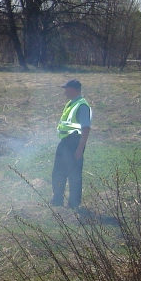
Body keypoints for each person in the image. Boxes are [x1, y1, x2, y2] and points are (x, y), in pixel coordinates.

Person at [51, 79, 92, 209]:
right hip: (65, 142)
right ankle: (57, 200)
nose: (64, 92)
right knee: (58, 172)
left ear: (73, 90)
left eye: (66, 89)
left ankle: (73, 204)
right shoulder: (71, 103)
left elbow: (86, 128)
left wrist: (80, 148)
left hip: (74, 143)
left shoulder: (82, 105)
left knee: (74, 175)